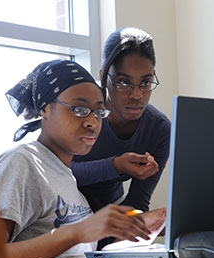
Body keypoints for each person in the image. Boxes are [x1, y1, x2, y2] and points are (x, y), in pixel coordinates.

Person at [0, 59, 165, 258]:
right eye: (79, 109)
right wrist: (78, 231)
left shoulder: (66, 177)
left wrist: (138, 226)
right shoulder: (22, 163)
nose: (92, 122)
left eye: (99, 112)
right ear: (45, 108)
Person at [71, 27, 171, 213]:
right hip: (62, 212)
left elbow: (138, 203)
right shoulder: (80, 112)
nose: (136, 95)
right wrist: (114, 165)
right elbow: (58, 172)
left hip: (112, 210)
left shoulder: (159, 129)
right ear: (103, 77)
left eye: (146, 82)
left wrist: (145, 223)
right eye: (124, 82)